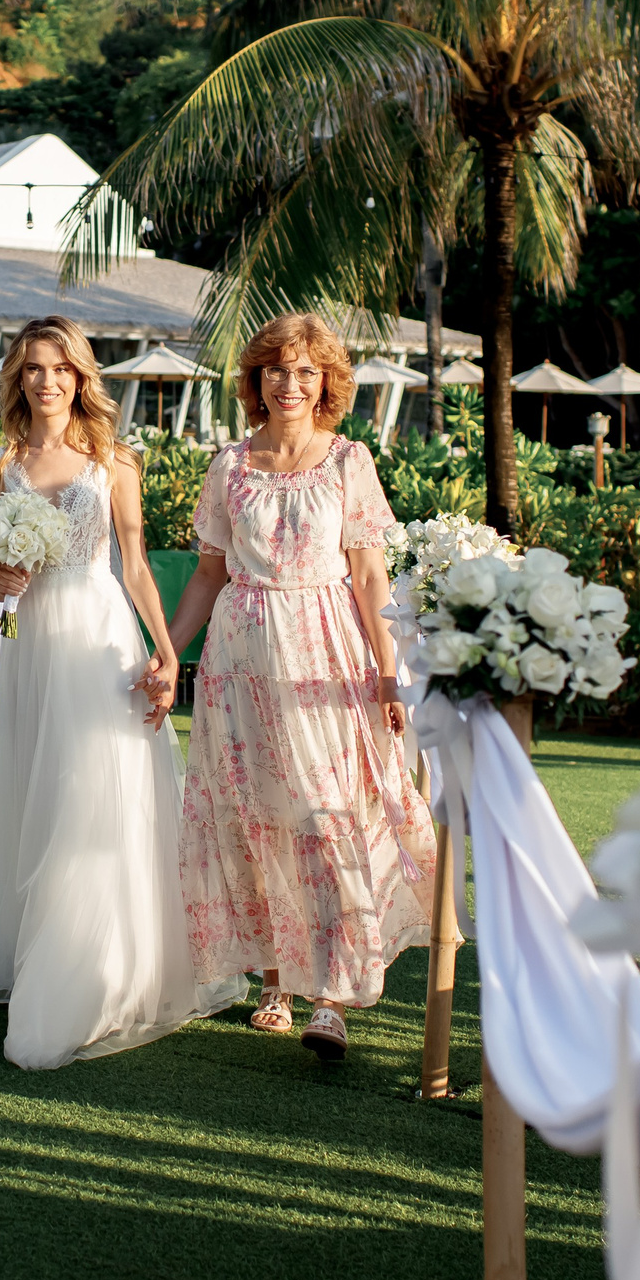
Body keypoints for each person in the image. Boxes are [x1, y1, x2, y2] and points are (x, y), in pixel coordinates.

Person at [147, 312, 434, 1063]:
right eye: (276, 369)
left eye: (306, 370)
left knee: (326, 815)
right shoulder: (229, 466)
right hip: (239, 663)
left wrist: (389, 672)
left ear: (327, 382)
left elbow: (370, 578)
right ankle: (275, 980)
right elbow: (208, 574)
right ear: (256, 379)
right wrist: (167, 652)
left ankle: (331, 996)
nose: (290, 383)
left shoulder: (349, 461)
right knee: (256, 818)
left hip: (325, 657)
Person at [0, 316, 244, 1067]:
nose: (47, 381)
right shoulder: (2, 463)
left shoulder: (114, 461)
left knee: (96, 791)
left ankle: (97, 968)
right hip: (31, 643)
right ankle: (40, 945)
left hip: (98, 638)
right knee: (40, 785)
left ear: (81, 377)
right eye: (33, 368)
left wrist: (166, 651)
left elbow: (136, 564)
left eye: (61, 368)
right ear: (17, 378)